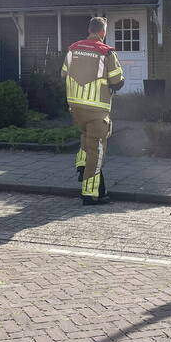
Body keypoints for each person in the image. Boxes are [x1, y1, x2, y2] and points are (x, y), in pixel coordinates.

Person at [61, 17, 124, 205]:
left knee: (85, 136)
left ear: (89, 29)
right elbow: (117, 81)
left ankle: (81, 165)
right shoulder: (106, 52)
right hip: (97, 110)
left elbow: (64, 73)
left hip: (76, 109)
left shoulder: (73, 49)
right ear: (103, 32)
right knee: (96, 153)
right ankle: (90, 194)